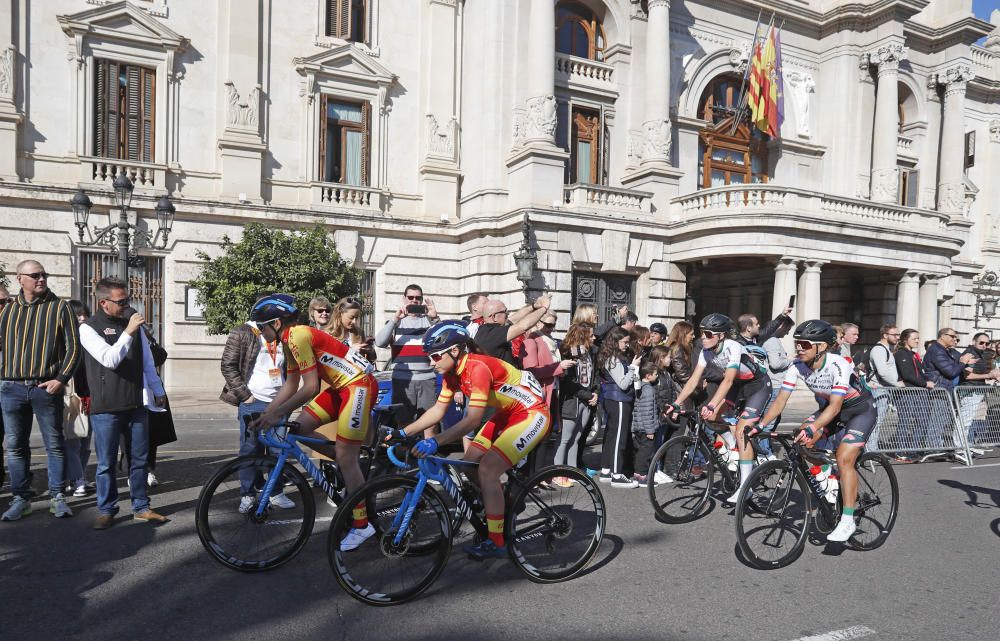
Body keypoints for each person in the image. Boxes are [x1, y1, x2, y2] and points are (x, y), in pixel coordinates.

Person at [399, 322, 551, 560]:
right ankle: (506, 503)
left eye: (436, 356)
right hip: (509, 413)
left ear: (455, 351)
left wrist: (436, 442)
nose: (432, 362)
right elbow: (438, 411)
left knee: (488, 469)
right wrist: (403, 433)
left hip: (533, 413)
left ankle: (497, 541)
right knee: (470, 465)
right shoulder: (452, 374)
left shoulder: (477, 367)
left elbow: (471, 421)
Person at [248, 295, 378, 551]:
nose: (260, 333)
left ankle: (362, 525)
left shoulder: (298, 335)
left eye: (262, 327)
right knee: (301, 428)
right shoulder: (288, 340)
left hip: (359, 386)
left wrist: (277, 414)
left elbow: (310, 388)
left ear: (275, 323)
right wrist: (268, 412)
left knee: (345, 455)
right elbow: (290, 385)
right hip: (341, 388)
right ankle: (350, 464)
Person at [757, 320, 878, 542]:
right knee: (800, 440)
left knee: (844, 458)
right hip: (830, 410)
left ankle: (847, 520)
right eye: (797, 343)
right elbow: (781, 400)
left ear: (821, 346)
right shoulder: (796, 366)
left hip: (859, 410)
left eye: (804, 344)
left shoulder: (838, 364)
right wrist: (760, 425)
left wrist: (814, 426)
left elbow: (836, 405)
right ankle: (827, 479)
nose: (799, 348)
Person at [80, 277, 168, 529]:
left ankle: (141, 506)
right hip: (107, 406)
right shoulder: (89, 328)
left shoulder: (134, 325)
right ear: (103, 303)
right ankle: (107, 509)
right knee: (106, 463)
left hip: (135, 403)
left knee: (139, 460)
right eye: (121, 302)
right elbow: (109, 359)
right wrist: (128, 331)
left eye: (128, 299)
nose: (127, 305)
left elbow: (148, 361)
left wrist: (157, 388)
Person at [0, 260, 81, 522]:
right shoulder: (8, 311)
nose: (41, 279)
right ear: (19, 278)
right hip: (11, 387)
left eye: (44, 274)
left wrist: (61, 379)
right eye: (35, 275)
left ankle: (57, 497)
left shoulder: (60, 308)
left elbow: (74, 348)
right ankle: (21, 498)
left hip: (44, 387)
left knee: (54, 445)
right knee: (15, 446)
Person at [668, 313, 771, 504]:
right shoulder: (706, 351)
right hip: (737, 387)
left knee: (742, 431)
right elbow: (693, 380)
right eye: (702, 333)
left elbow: (729, 379)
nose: (703, 338)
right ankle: (735, 448)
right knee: (712, 417)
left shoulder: (734, 347)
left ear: (721, 336)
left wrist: (712, 403)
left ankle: (745, 486)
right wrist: (677, 402)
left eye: (708, 334)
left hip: (757, 387)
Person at [219, 295, 293, 509]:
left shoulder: (281, 334)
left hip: (279, 402)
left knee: (278, 450)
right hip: (254, 401)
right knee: (250, 450)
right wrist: (246, 396)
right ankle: (248, 494)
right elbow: (228, 366)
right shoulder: (242, 332)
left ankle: (275, 492)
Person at [374, 284, 440, 435]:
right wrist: (395, 319)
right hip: (402, 379)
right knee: (404, 422)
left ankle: (427, 456)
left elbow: (445, 340)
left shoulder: (430, 322)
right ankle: (405, 457)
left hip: (427, 378)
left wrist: (435, 318)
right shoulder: (396, 323)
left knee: (430, 424)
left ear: (422, 300)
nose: (414, 301)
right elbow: (379, 342)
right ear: (404, 299)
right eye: (410, 297)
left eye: (418, 298)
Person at [553, 322, 597, 485]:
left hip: (586, 400)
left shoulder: (590, 353)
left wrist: (595, 393)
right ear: (582, 335)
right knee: (565, 438)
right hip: (572, 400)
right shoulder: (568, 352)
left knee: (577, 437)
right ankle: (558, 472)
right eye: (590, 335)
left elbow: (595, 375)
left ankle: (572, 471)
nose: (594, 338)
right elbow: (567, 382)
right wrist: (586, 395)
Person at [597, 327, 641, 488]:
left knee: (611, 435)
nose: (627, 345)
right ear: (615, 342)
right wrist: (633, 367)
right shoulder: (613, 359)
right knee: (619, 438)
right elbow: (623, 383)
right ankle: (617, 474)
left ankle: (607, 470)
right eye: (624, 342)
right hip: (619, 400)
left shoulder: (617, 357)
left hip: (617, 399)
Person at [923, 328, 977, 451]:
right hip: (940, 390)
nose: (954, 339)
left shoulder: (943, 350)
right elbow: (951, 372)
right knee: (937, 420)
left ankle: (936, 446)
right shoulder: (937, 351)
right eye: (952, 336)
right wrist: (963, 362)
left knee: (942, 420)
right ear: (942, 336)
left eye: (956, 337)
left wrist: (966, 363)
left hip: (946, 389)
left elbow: (952, 367)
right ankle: (933, 447)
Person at [62, 299, 93, 497]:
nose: (82, 318)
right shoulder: (65, 340)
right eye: (77, 314)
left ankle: (77, 476)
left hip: (90, 396)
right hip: (71, 396)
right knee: (72, 440)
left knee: (85, 440)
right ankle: (76, 479)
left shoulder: (91, 338)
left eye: (84, 314)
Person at [474, 295, 552, 366]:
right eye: (504, 311)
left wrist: (534, 306)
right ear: (494, 317)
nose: (507, 313)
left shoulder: (486, 330)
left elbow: (513, 319)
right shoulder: (492, 334)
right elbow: (523, 326)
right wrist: (544, 308)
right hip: (503, 380)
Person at [759, 316, 795, 458]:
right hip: (775, 384)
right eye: (787, 329)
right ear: (781, 326)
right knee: (769, 420)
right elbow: (775, 364)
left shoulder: (771, 340)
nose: (787, 333)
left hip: (773, 384)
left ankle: (764, 451)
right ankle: (764, 453)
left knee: (771, 419)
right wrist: (790, 360)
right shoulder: (773, 341)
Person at [631, 361, 662, 487]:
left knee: (640, 451)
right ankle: (642, 477)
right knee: (645, 452)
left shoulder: (640, 387)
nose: (657, 376)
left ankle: (639, 474)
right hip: (646, 428)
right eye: (655, 374)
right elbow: (647, 411)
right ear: (648, 376)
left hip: (639, 427)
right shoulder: (648, 390)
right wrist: (650, 430)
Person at [326, 297, 376, 363]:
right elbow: (327, 360)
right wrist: (350, 351)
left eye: (356, 317)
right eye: (351, 317)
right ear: (340, 313)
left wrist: (369, 351)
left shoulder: (359, 332)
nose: (354, 321)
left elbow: (367, 360)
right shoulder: (328, 334)